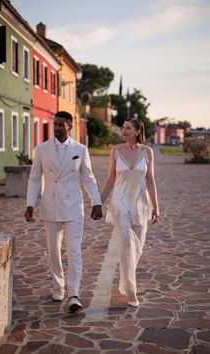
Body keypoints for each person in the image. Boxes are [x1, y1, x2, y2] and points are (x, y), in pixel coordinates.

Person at [25, 111, 102, 313]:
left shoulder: (80, 149)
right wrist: (30, 204)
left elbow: (88, 178)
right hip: (50, 206)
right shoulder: (41, 149)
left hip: (74, 207)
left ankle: (73, 295)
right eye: (55, 124)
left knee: (74, 251)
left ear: (70, 126)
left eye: (61, 124)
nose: (57, 127)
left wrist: (97, 202)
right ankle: (58, 287)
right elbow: (34, 178)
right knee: (54, 252)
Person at [100, 117, 159, 307]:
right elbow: (110, 180)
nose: (123, 131)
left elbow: (150, 181)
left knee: (138, 247)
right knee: (126, 244)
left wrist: (155, 206)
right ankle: (132, 292)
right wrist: (97, 203)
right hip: (120, 202)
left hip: (140, 204)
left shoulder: (147, 152)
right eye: (122, 128)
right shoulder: (115, 152)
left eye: (127, 128)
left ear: (137, 131)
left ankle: (126, 280)